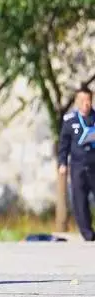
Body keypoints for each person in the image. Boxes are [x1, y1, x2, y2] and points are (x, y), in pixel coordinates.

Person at [58, 85, 95, 241]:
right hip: (78, 165)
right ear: (77, 102)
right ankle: (87, 233)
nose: (86, 103)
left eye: (88, 100)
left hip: (94, 164)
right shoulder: (69, 120)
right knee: (80, 200)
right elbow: (64, 144)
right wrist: (62, 163)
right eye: (82, 100)